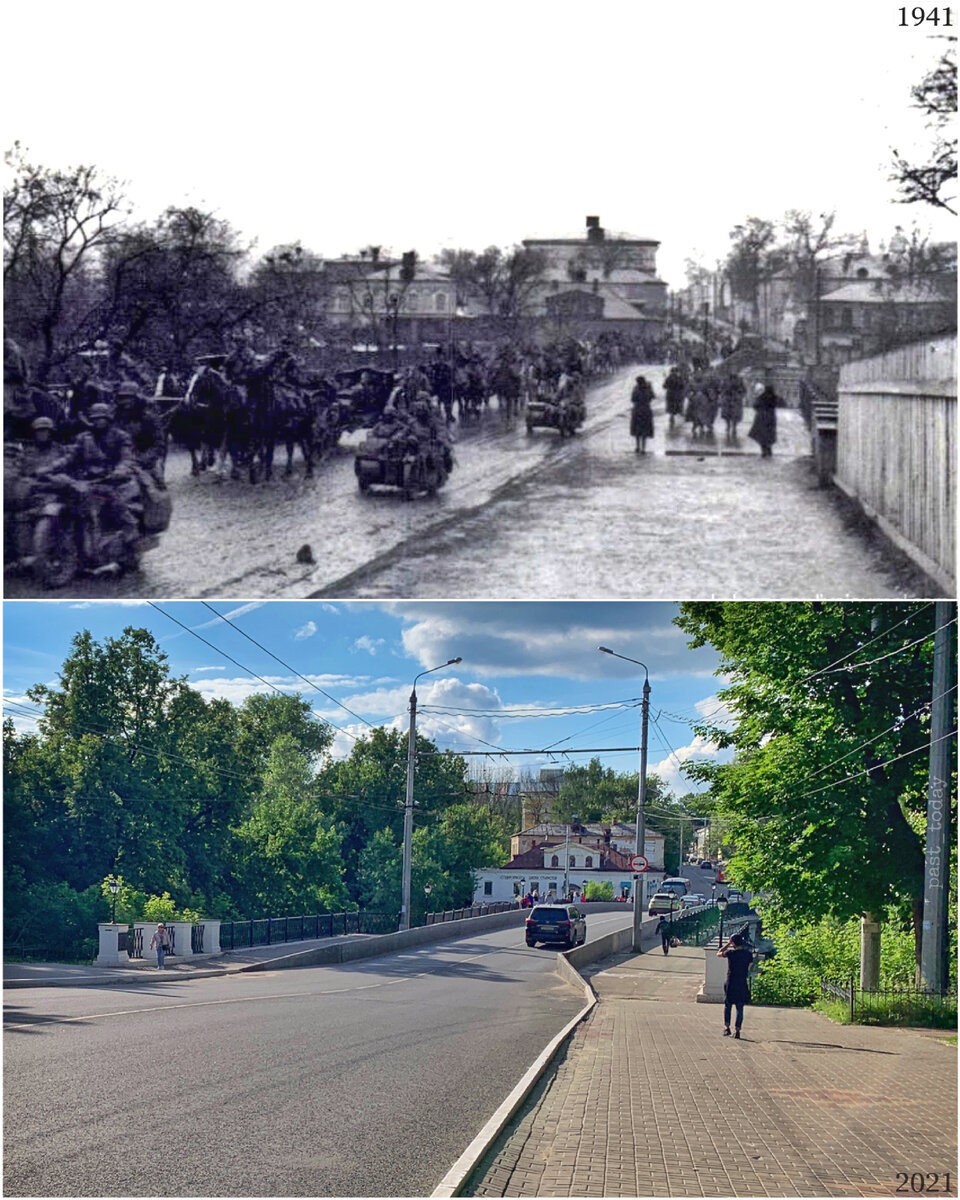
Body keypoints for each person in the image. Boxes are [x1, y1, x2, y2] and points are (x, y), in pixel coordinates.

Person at [717, 928, 754, 1037]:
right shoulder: (748, 954)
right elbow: (750, 966)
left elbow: (718, 953)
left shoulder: (731, 953)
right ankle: (737, 1030)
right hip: (742, 981)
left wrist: (728, 944)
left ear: (733, 943)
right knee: (740, 1007)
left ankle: (726, 1027)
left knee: (728, 1005)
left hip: (731, 981)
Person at [748, 381, 779, 458]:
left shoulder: (761, 398)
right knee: (769, 435)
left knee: (761, 435)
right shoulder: (774, 398)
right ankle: (769, 449)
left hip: (761, 418)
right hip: (771, 418)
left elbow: (755, 406)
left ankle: (764, 450)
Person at [629, 375, 655, 454]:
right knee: (645, 430)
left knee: (637, 430)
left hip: (637, 410)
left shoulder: (636, 389)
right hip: (646, 410)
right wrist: (651, 388)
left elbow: (632, 399)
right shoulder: (648, 388)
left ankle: (637, 446)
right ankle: (643, 448)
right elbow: (652, 396)